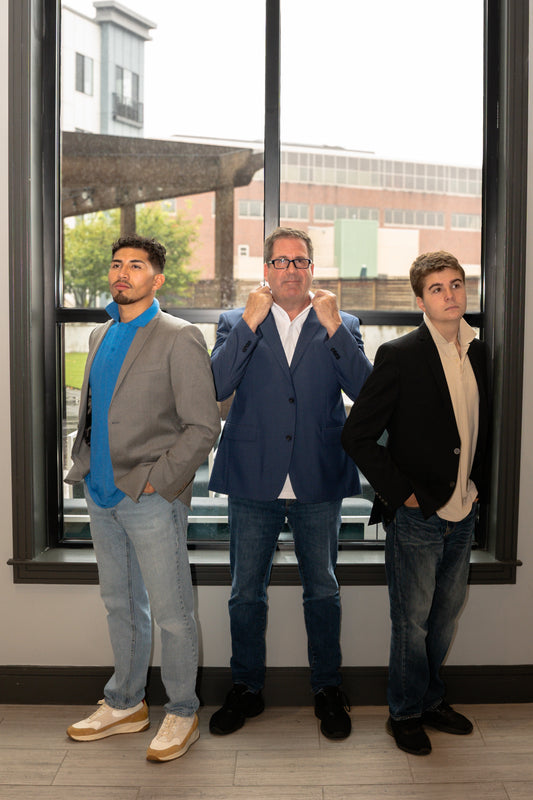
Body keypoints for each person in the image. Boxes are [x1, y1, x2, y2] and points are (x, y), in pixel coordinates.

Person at [207, 226, 372, 740]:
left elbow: (366, 392)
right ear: (266, 270)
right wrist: (249, 325)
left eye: (299, 261)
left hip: (317, 475)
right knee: (244, 594)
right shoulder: (236, 320)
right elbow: (214, 384)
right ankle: (246, 688)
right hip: (253, 476)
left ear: (311, 269)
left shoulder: (342, 321)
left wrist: (334, 330)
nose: (290, 270)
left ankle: (327, 688)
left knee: (322, 590)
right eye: (280, 261)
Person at [65, 234, 220, 762]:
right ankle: (127, 703)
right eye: (116, 265)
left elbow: (203, 426)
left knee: (173, 613)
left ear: (157, 278)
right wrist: (83, 467)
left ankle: (182, 711)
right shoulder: (98, 334)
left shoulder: (179, 337)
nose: (121, 273)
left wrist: (159, 480)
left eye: (135, 265)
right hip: (100, 493)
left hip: (149, 497)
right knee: (119, 605)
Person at [342, 251, 490, 756]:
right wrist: (402, 494)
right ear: (421, 299)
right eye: (437, 289)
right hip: (418, 516)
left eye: (456, 285)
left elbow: (474, 431)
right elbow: (357, 435)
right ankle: (403, 713)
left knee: (445, 616)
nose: (450, 295)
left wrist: (475, 490)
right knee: (412, 621)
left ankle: (430, 700)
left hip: (464, 512)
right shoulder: (400, 354)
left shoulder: (477, 351)